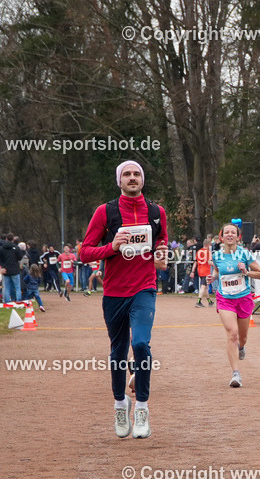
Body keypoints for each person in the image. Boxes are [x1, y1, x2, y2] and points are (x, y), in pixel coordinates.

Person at [79, 160, 168, 439]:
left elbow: (162, 245)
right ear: (119, 181)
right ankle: (120, 405)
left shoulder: (156, 212)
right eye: (127, 174)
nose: (132, 178)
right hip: (115, 292)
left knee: (140, 343)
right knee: (118, 353)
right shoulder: (105, 212)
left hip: (144, 287)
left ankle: (142, 407)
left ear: (143, 179)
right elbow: (85, 253)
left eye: (137, 174)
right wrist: (112, 247)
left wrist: (162, 257)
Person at [211, 223, 260, 388]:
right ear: (222, 236)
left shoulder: (244, 254)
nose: (230, 235)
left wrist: (246, 272)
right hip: (225, 298)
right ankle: (235, 374)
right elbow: (218, 271)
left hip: (243, 298)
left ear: (238, 236)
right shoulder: (216, 255)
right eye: (227, 232)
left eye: (233, 232)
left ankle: (241, 347)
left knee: (242, 337)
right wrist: (212, 278)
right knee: (232, 333)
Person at [0, 233, 24, 303]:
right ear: (13, 239)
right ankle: (18, 300)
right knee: (17, 287)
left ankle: (7, 301)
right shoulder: (16, 248)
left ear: (6, 239)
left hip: (5, 270)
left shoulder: (2, 248)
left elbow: (0, 258)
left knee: (6, 287)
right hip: (15, 269)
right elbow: (20, 257)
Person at [192, 238, 214, 307]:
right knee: (203, 286)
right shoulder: (208, 252)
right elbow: (209, 262)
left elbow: (195, 262)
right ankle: (199, 301)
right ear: (207, 245)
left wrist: (193, 271)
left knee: (205, 287)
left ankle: (209, 301)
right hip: (206, 271)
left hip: (200, 270)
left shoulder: (199, 251)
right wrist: (216, 265)